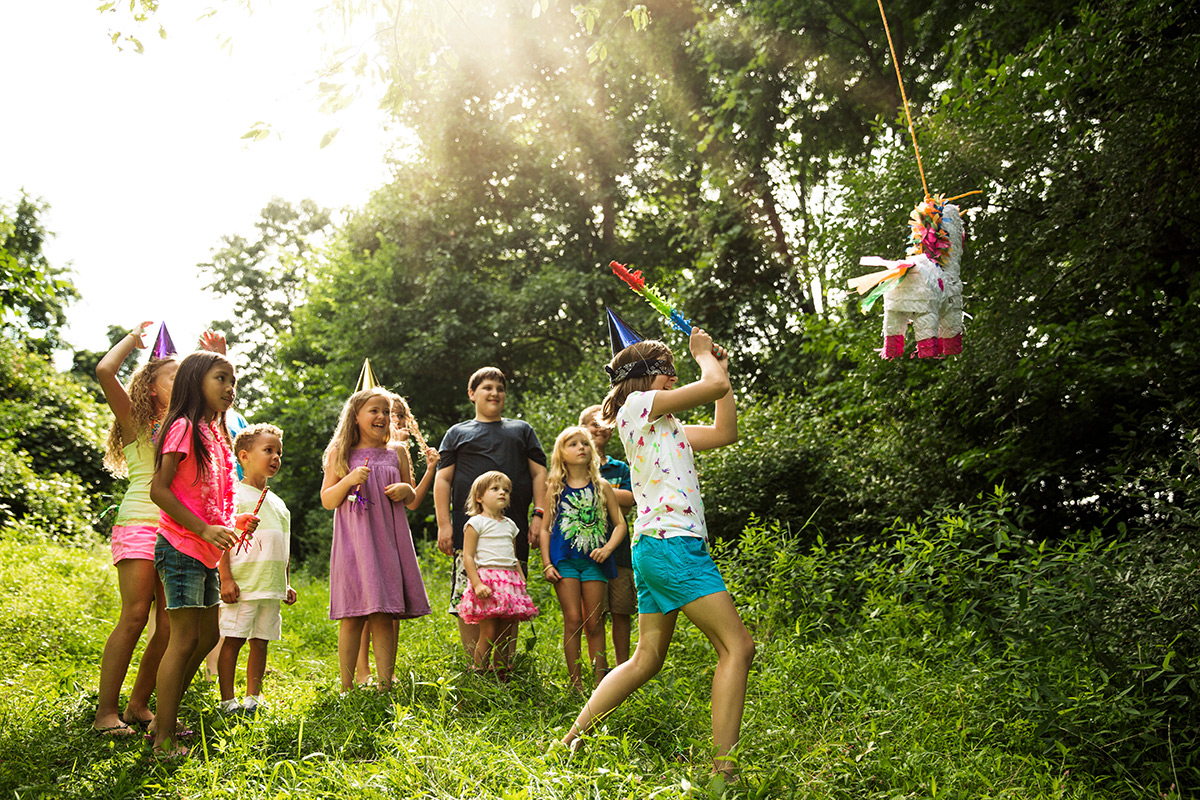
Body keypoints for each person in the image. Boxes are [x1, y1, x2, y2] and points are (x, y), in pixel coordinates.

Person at [560, 328, 755, 779]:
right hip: (673, 544)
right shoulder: (635, 407)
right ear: (646, 376)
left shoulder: (669, 427)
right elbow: (712, 386)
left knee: (645, 659)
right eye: (668, 370)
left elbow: (726, 431)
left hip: (656, 546)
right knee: (737, 648)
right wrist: (707, 359)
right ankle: (723, 774)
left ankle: (568, 741)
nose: (674, 377)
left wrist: (719, 368)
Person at [149, 351, 256, 759]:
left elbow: (209, 495)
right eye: (221, 378)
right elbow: (160, 491)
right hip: (180, 546)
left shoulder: (218, 433)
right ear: (195, 382)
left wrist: (234, 519)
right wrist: (202, 529)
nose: (230, 388)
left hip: (205, 550)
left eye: (233, 381)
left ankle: (165, 716)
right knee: (184, 639)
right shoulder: (182, 427)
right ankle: (162, 740)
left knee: (209, 635)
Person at [92, 321, 178, 735]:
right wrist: (133, 339)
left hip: (177, 530)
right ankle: (104, 713)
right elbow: (105, 371)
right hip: (140, 524)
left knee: (169, 624)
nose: (182, 382)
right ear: (149, 387)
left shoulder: (189, 424)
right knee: (135, 615)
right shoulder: (133, 420)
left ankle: (138, 706)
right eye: (173, 376)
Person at [322, 387, 431, 692]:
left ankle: (385, 684)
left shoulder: (396, 452)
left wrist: (406, 490)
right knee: (352, 616)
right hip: (354, 546)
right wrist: (349, 479)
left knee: (384, 613)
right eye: (374, 410)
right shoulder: (340, 454)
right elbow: (328, 500)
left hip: (387, 542)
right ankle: (346, 687)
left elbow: (411, 499)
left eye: (385, 411)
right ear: (356, 417)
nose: (382, 416)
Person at [434, 367, 548, 659]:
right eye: (487, 387)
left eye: (500, 388)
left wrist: (539, 515)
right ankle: (477, 669)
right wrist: (444, 524)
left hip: (513, 531)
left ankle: (503, 667)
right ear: (472, 394)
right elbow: (443, 479)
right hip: (469, 532)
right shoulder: (457, 433)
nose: (495, 393)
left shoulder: (521, 430)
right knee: (471, 596)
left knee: (508, 597)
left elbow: (539, 475)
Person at [355, 393, 440, 684]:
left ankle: (384, 674)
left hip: (391, 533)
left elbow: (412, 500)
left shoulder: (397, 452)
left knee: (391, 606)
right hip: (366, 531)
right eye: (392, 415)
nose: (395, 421)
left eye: (400, 416)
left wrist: (429, 470)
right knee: (368, 603)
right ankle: (363, 670)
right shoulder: (364, 448)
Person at [216, 423, 296, 717]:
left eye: (279, 452)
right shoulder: (233, 495)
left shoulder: (279, 503)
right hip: (244, 582)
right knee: (234, 639)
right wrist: (226, 578)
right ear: (244, 456)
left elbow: (284, 546)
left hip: (269, 584)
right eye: (268, 450)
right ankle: (227, 699)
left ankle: (253, 697)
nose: (276, 457)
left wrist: (285, 583)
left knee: (260, 641)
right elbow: (223, 537)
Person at [540, 426, 627, 692]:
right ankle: (575, 683)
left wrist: (608, 549)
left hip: (595, 563)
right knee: (573, 620)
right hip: (564, 561)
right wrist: (546, 563)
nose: (581, 448)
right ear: (561, 454)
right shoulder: (555, 487)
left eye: (584, 444)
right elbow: (545, 528)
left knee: (595, 621)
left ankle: (601, 683)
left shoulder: (601, 486)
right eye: (573, 444)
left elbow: (620, 524)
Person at [457, 471, 539, 674]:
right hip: (488, 582)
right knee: (488, 631)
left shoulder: (511, 525)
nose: (502, 492)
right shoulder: (475, 523)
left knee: (506, 633)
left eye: (506, 490)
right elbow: (468, 556)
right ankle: (479, 673)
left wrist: (520, 578)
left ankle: (501, 675)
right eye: (495, 489)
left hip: (509, 582)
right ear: (479, 497)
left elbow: (512, 555)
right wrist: (477, 584)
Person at [578, 404, 636, 666]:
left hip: (620, 553)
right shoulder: (575, 466)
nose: (600, 428)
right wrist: (612, 496)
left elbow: (631, 499)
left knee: (622, 612)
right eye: (594, 423)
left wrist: (597, 492)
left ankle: (623, 668)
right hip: (586, 554)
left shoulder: (620, 468)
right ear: (582, 429)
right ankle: (598, 669)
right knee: (594, 616)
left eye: (605, 422)